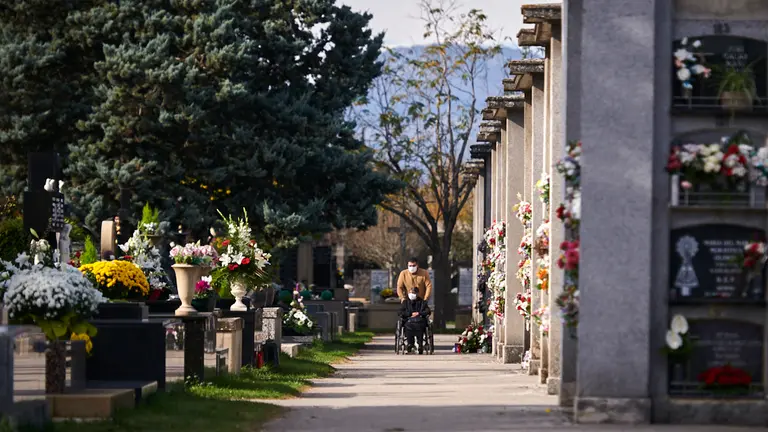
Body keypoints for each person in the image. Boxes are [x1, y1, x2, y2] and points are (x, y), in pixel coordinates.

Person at [399, 287, 431, 354]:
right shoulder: (405, 302)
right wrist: (410, 314)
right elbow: (400, 312)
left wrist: (419, 313)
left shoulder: (422, 302)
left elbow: (428, 311)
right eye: (410, 292)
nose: (411, 294)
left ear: (417, 293)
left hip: (419, 321)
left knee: (420, 327)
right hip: (408, 321)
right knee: (408, 326)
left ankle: (420, 345)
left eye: (413, 293)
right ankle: (410, 344)